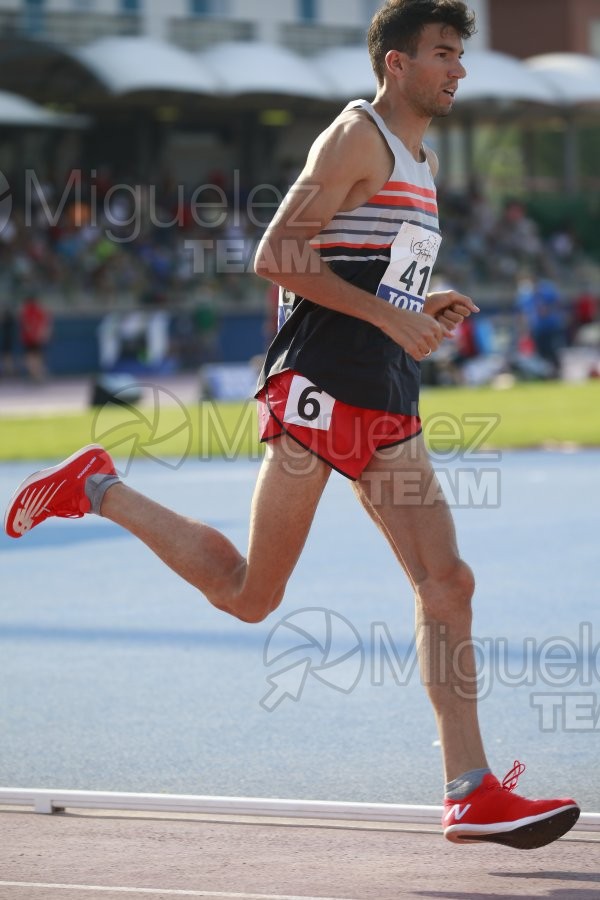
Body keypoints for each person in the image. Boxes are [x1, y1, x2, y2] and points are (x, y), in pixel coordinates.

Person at [4, 0, 579, 849]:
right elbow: (277, 254)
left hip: (382, 389)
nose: (459, 68)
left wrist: (421, 302)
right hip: (318, 389)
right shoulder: (355, 136)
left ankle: (470, 790)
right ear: (397, 63)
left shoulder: (418, 160)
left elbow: (366, 265)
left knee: (448, 583)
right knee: (251, 594)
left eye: (462, 54)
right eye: (445, 53)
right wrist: (391, 320)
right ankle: (99, 486)